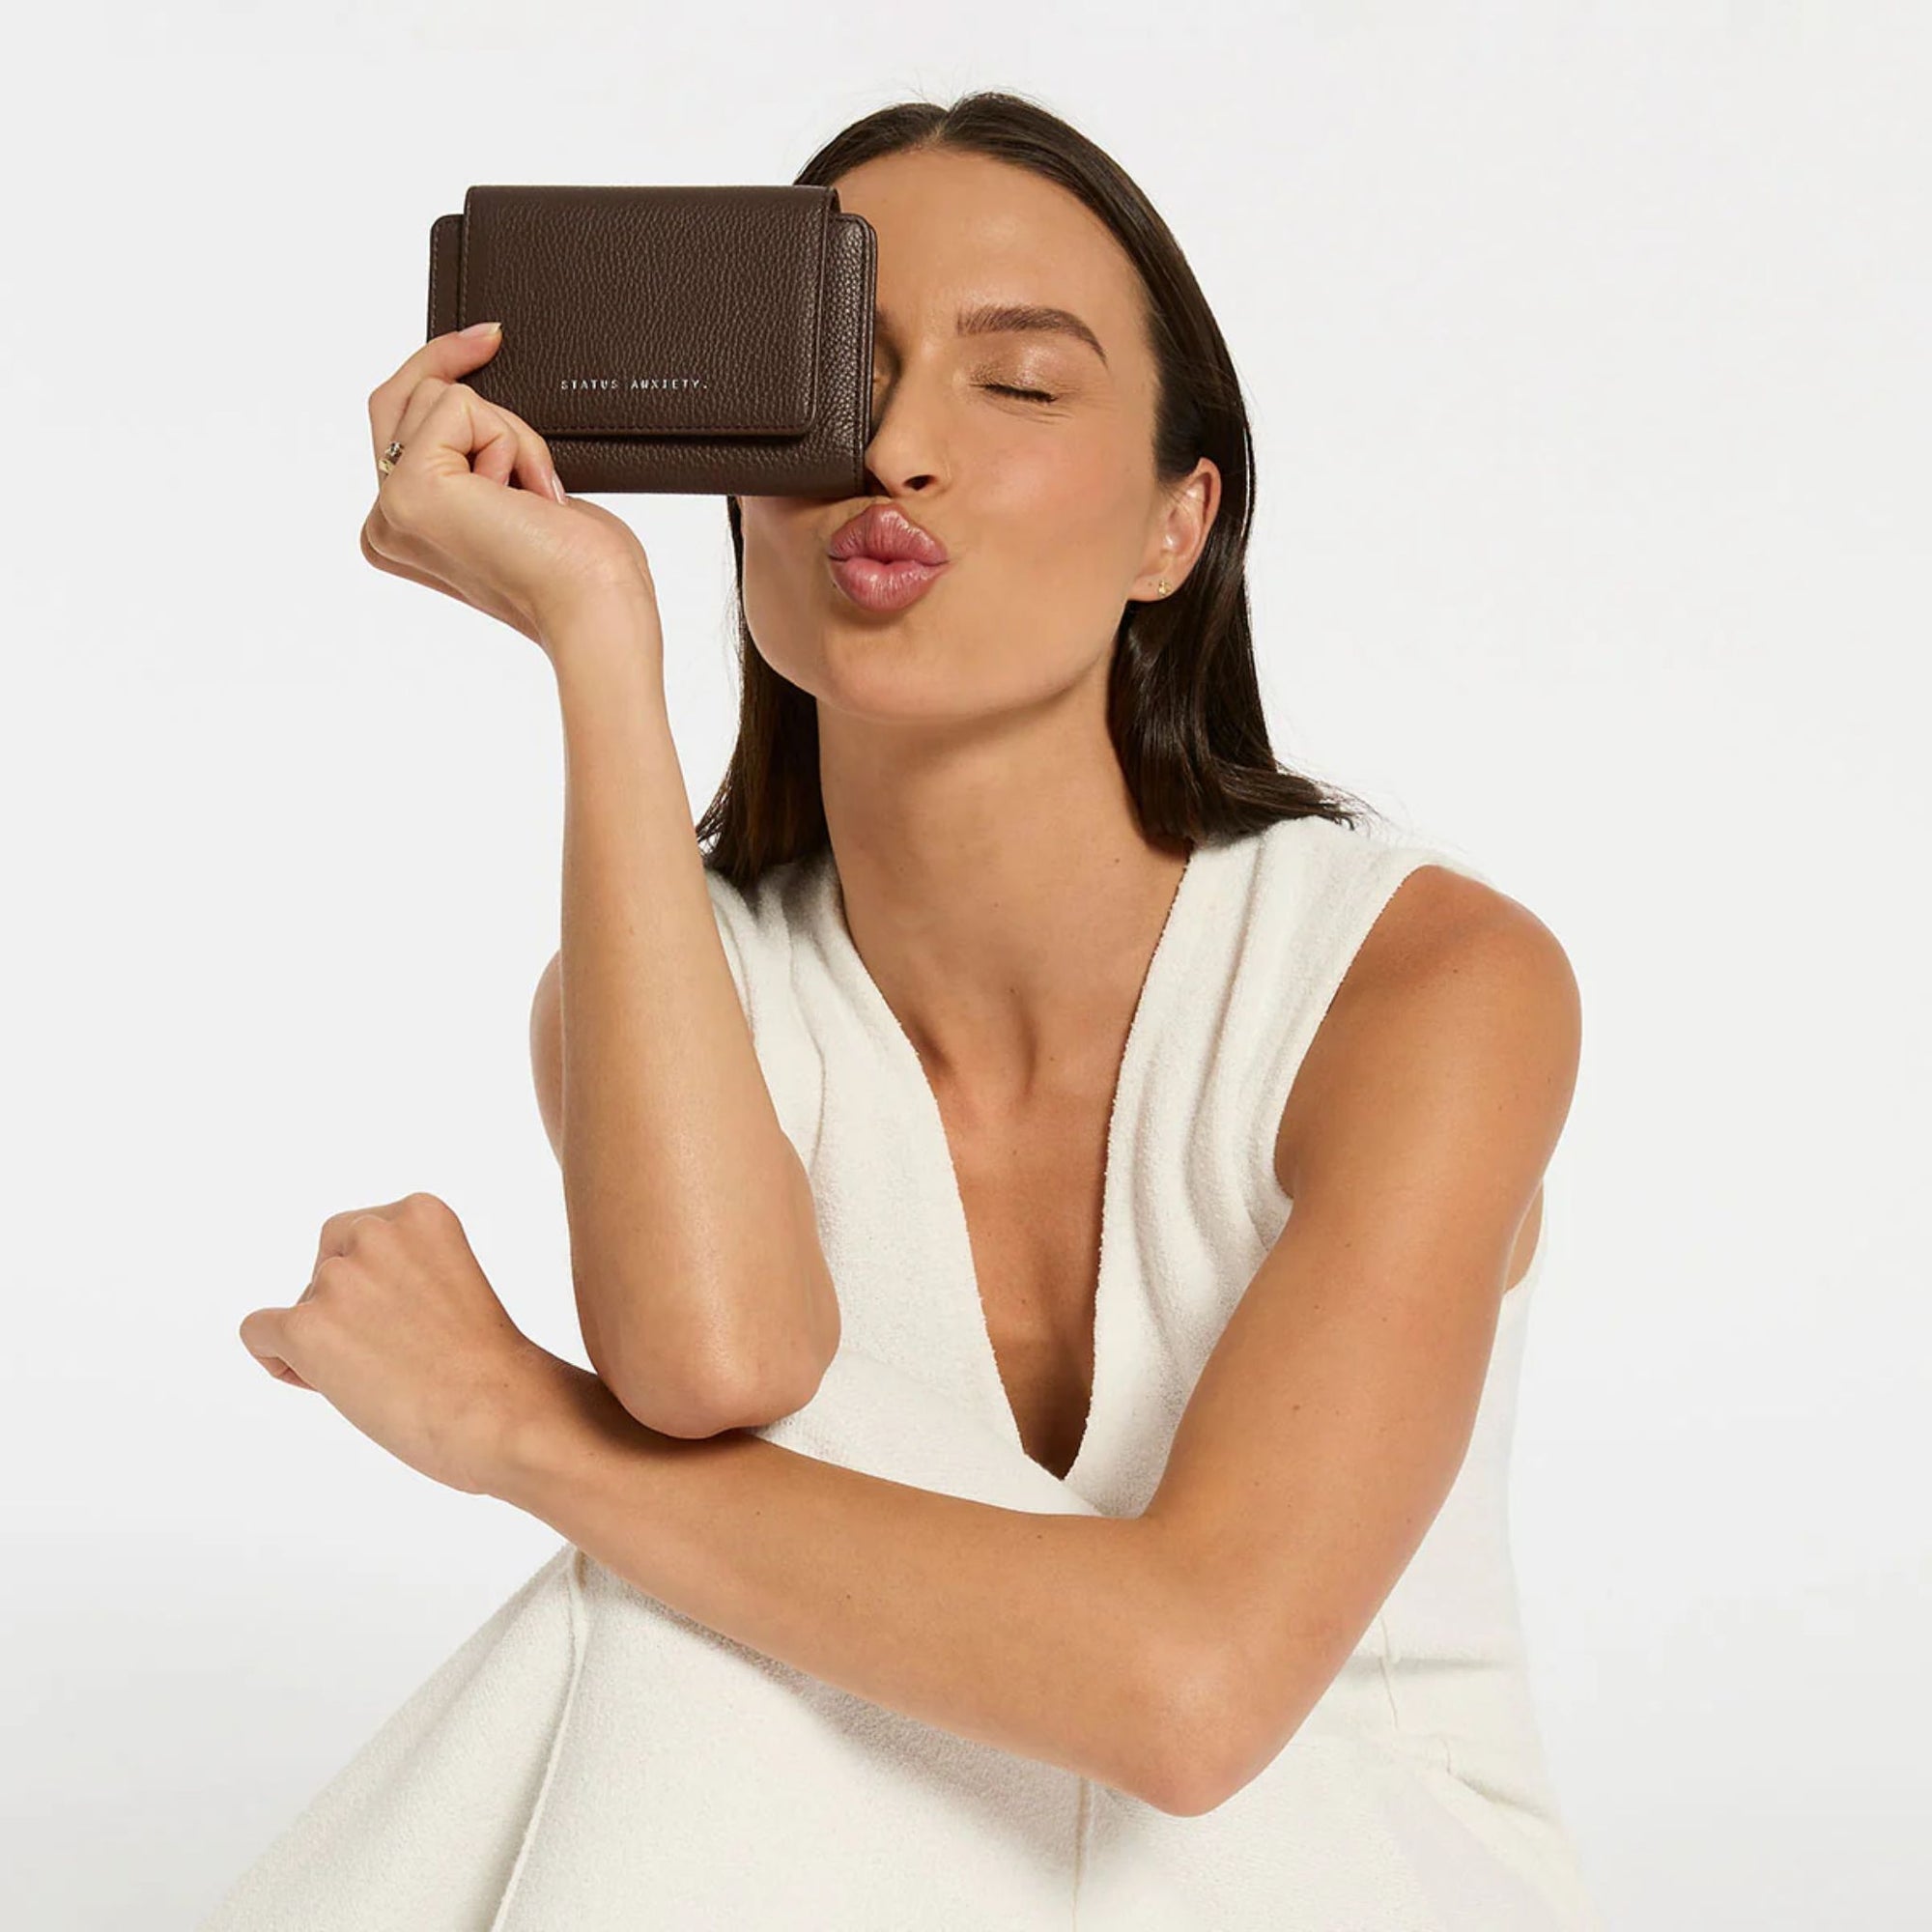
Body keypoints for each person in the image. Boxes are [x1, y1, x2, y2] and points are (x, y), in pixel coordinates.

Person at [209, 90, 1605, 1931]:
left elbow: (1188, 1701)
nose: (898, 448)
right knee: (697, 1609)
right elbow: (714, 1374)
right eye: (830, 376)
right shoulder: (661, 996)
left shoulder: (1424, 986)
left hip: (1325, 1862)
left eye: (1018, 385)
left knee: (677, 1584)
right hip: (870, 1857)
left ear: (1177, 525)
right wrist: (598, 643)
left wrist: (522, 1432)